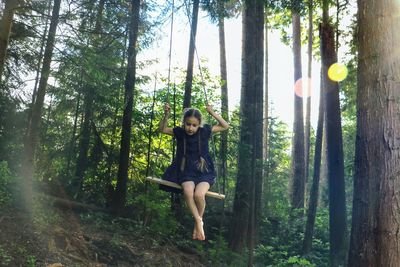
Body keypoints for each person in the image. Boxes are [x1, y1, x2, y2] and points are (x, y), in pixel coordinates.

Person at [158, 103, 229, 240]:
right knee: (188, 192)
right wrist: (166, 114)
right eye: (188, 124)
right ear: (184, 123)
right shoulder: (179, 132)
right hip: (186, 170)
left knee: (199, 195)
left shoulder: (205, 131)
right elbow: (162, 129)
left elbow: (225, 126)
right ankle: (199, 221)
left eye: (194, 125)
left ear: (199, 124)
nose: (190, 128)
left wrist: (212, 113)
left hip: (204, 170)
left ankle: (198, 221)